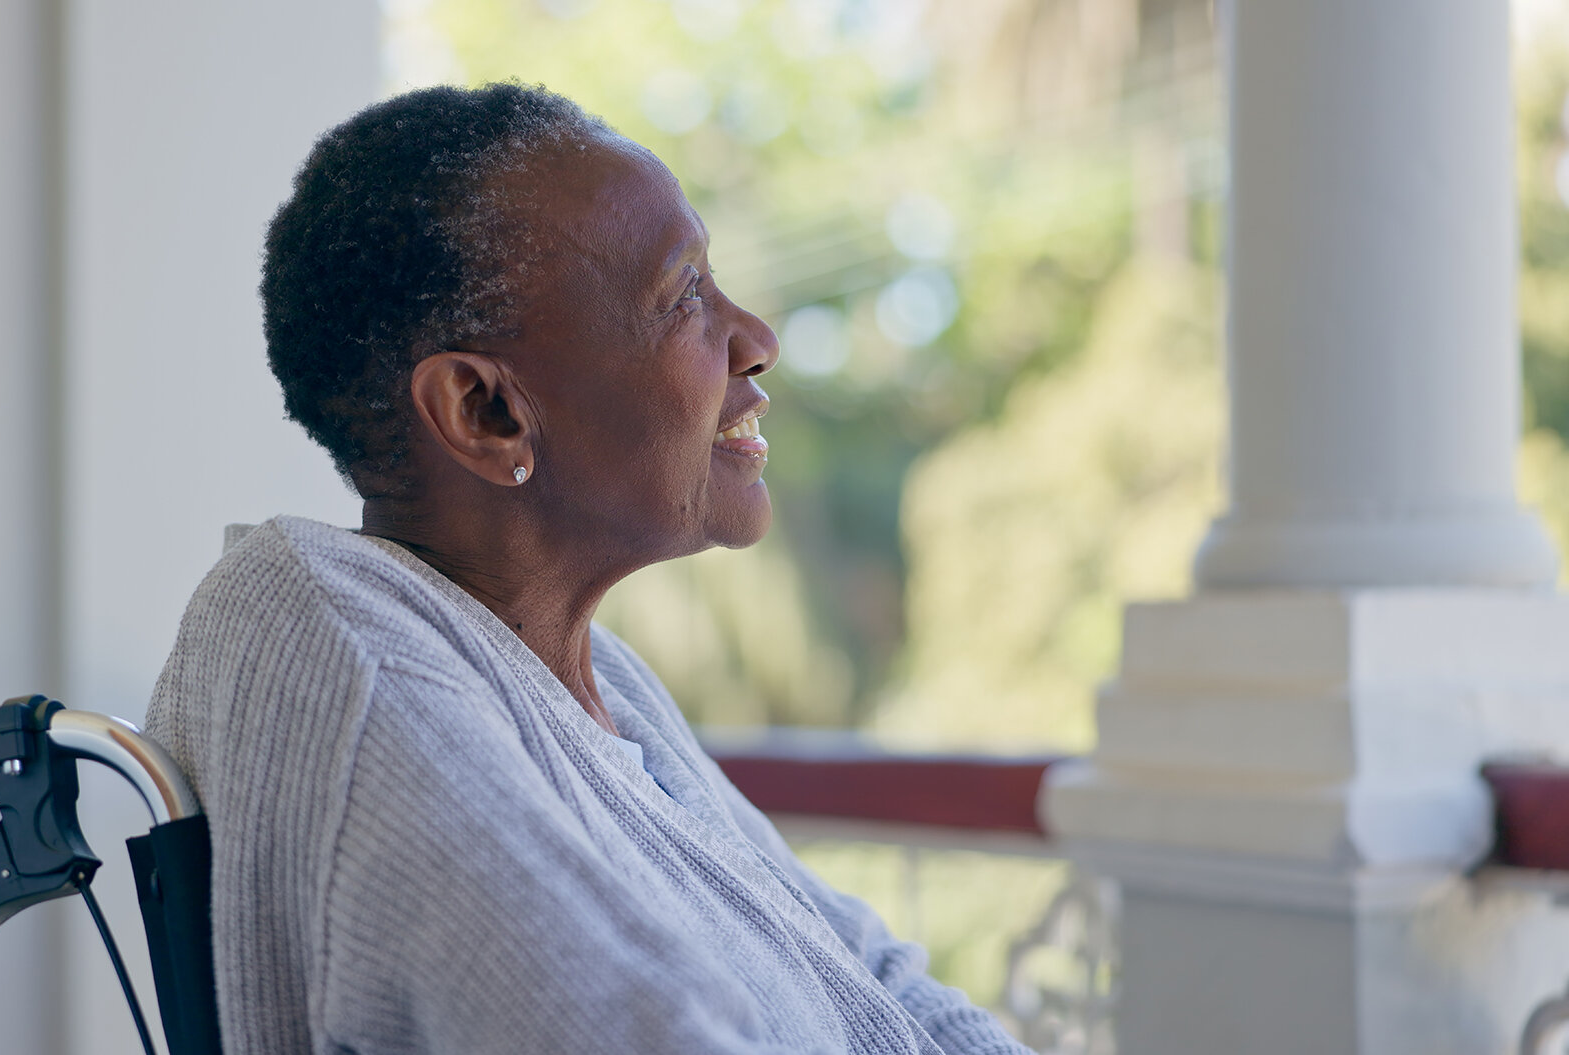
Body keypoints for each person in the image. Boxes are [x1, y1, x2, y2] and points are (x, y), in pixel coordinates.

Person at [142, 82, 1031, 1055]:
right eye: (683, 295)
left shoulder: (602, 685)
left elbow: (867, 969)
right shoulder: (318, 630)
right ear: (486, 412)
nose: (757, 340)